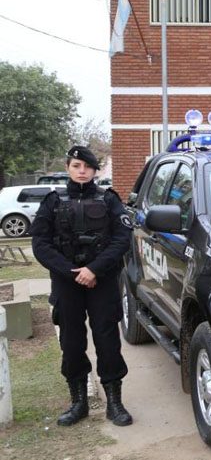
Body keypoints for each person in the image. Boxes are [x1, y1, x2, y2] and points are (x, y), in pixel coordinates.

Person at [29, 146, 134, 427]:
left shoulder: (109, 200)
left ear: (95, 170)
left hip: (102, 281)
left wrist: (93, 269)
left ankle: (114, 402)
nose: (82, 171)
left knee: (108, 341)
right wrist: (72, 272)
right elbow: (40, 243)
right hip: (67, 283)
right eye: (77, 165)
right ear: (68, 167)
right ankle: (78, 402)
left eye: (87, 166)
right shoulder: (52, 201)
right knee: (72, 343)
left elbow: (122, 239)